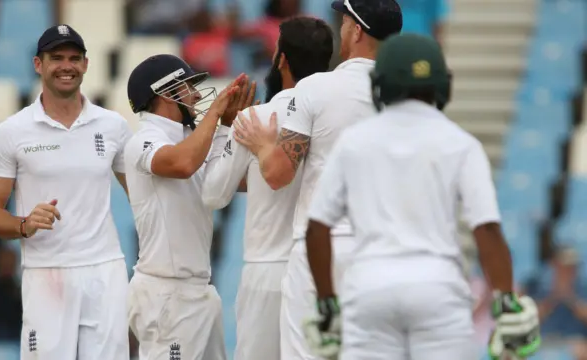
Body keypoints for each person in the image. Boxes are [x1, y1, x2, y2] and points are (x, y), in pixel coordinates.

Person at [302, 33, 541, 360]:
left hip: (370, 287)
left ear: (380, 83)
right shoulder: (460, 143)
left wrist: (327, 303)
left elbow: (317, 227)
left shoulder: (354, 141)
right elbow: (486, 228)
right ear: (443, 83)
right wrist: (505, 300)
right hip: (438, 288)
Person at [232, 1, 402, 358]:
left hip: (319, 248)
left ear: (356, 30)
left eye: (343, 23)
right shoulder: (406, 95)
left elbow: (278, 174)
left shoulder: (316, 88)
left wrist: (263, 145)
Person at [0, 24, 132, 360]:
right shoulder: (12, 132)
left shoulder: (113, 125)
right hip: (46, 271)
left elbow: (143, 196)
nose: (67, 65)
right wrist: (24, 224)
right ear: (38, 64)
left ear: (86, 65)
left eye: (75, 58)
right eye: (57, 58)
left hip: (105, 269)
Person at [202, 16, 334, 360]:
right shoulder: (335, 117)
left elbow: (213, 193)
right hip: (318, 269)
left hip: (267, 271)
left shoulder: (256, 118)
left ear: (282, 60)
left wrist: (226, 128)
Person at [124, 54, 256, 360]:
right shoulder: (143, 140)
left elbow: (231, 183)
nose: (197, 95)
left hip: (199, 291)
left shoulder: (191, 139)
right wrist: (216, 115)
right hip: (166, 295)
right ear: (165, 93)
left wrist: (228, 128)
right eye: (187, 87)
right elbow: (182, 163)